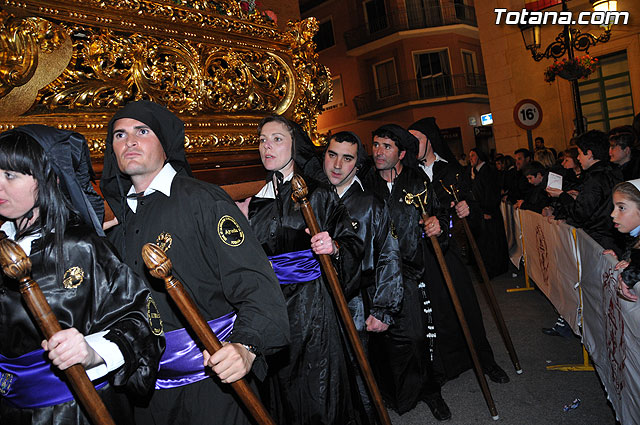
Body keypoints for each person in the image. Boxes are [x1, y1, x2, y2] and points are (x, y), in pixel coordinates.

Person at [100, 100, 289, 425]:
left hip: (212, 383)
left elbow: (257, 286)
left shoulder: (203, 201)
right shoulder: (122, 223)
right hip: (149, 388)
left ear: (164, 142)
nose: (128, 141)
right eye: (119, 135)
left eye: (141, 131)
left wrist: (245, 347)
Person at [0, 126, 165, 424]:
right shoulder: (3, 244)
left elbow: (143, 322)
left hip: (71, 411)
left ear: (46, 178)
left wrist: (93, 352)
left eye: (10, 175)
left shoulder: (82, 246)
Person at [242, 115, 367, 425]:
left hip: (311, 306)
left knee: (316, 387)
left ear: (294, 145)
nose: (266, 146)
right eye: (262, 140)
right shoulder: (255, 200)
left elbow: (352, 243)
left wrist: (334, 246)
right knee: (279, 387)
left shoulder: (317, 194)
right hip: (271, 304)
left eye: (276, 139)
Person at [408, 118, 509, 385]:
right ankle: (447, 364)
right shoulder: (408, 172)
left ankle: (485, 360)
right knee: (437, 311)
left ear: (429, 139)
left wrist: (468, 209)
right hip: (423, 252)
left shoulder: (452, 169)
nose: (411, 144)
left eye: (416, 138)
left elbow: (471, 206)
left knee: (467, 306)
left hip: (451, 249)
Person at [362, 124, 451, 421]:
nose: (378, 151)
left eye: (386, 146)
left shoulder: (418, 182)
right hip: (373, 276)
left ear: (401, 153)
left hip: (409, 274)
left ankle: (428, 389)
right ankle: (386, 394)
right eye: (375, 145)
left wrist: (438, 226)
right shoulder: (363, 183)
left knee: (416, 337)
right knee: (379, 340)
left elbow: (441, 217)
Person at [322, 130, 403, 423]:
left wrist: (383, 308)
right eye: (332, 155)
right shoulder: (312, 199)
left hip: (357, 303)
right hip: (317, 303)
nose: (337, 165)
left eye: (347, 158)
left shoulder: (371, 204)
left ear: (357, 165)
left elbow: (389, 255)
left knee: (360, 376)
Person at [546, 130, 623, 256]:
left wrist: (562, 196)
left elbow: (581, 213)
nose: (578, 158)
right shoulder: (613, 171)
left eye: (580, 153)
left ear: (589, 154)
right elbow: (600, 201)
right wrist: (579, 196)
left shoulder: (594, 178)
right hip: (615, 237)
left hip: (600, 240)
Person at [469, 148, 509, 278]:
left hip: (489, 213)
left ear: (480, 156)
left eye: (473, 155)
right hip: (483, 212)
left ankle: (493, 270)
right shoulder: (478, 171)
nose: (471, 158)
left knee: (492, 244)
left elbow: (491, 193)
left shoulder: (487, 171)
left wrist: (486, 211)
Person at [609, 179, 640, 302]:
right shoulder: (634, 239)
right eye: (614, 207)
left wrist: (630, 275)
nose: (612, 214)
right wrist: (619, 261)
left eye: (621, 207)